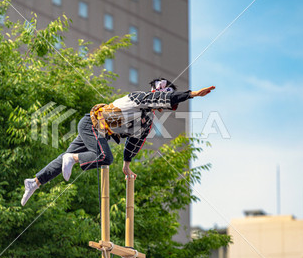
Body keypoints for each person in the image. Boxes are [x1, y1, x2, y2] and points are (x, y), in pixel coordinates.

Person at [21, 78, 215, 206]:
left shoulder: (146, 122)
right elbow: (163, 96)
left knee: (65, 158)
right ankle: (73, 157)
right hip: (92, 124)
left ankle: (35, 182)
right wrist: (193, 94)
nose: (164, 107)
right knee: (104, 156)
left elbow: (134, 144)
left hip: (98, 131)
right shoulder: (140, 97)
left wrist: (127, 166)